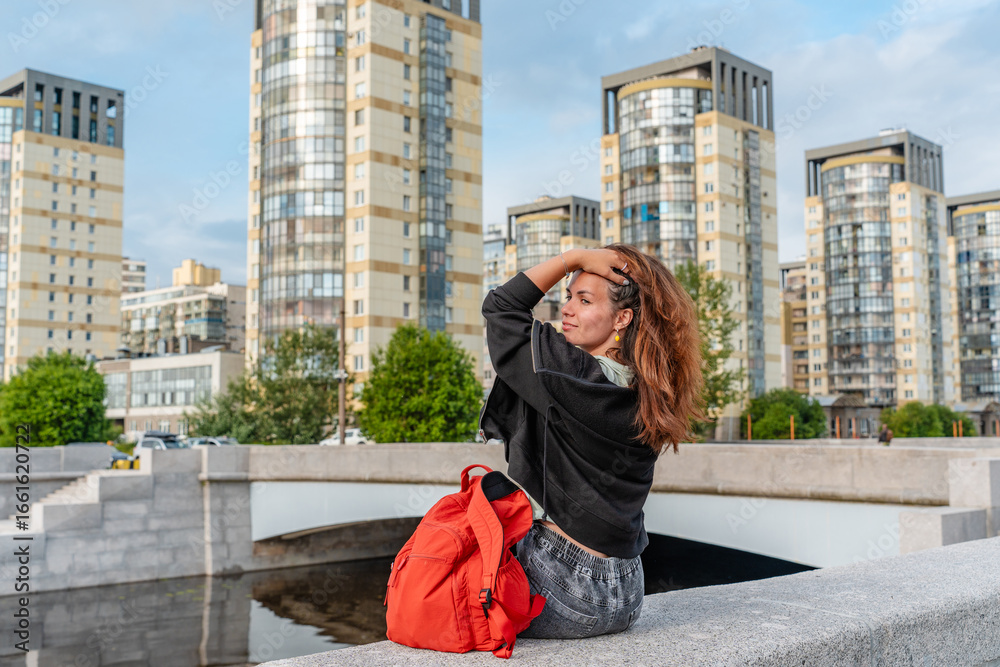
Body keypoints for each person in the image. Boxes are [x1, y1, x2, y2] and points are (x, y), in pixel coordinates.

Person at [480, 244, 704, 639]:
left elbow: (501, 308)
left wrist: (575, 258)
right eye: (568, 296)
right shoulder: (650, 389)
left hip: (564, 587)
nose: (566, 309)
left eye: (584, 300)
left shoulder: (572, 375)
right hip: (628, 591)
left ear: (622, 317)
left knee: (446, 579)